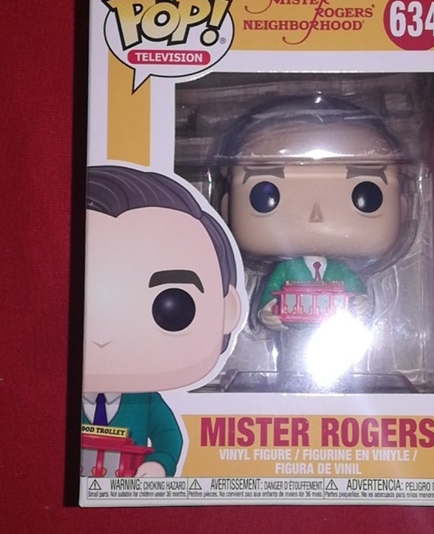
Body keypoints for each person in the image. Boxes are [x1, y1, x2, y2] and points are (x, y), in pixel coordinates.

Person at [221, 96, 406, 375]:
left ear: (403, 210)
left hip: (337, 330)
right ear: (227, 208)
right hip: (294, 329)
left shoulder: (340, 272)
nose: (316, 215)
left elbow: (356, 294)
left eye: (366, 196)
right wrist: (266, 313)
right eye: (265, 195)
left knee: (338, 368)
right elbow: (270, 297)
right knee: (292, 363)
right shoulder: (286, 270)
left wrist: (361, 306)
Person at [82, 165, 244, 476]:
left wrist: (159, 463)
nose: (102, 337)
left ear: (228, 310)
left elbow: (168, 436)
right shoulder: (60, 397)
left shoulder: (146, 401)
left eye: (173, 308)